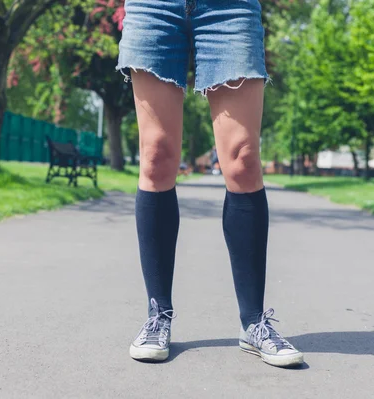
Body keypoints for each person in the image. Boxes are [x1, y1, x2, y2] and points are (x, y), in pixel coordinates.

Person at [116, 0, 304, 368]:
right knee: (156, 156)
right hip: (154, 7)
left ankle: (253, 323)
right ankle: (158, 315)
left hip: (229, 9)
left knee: (243, 159)